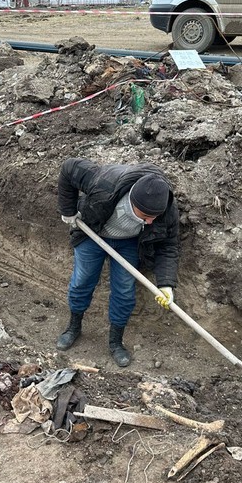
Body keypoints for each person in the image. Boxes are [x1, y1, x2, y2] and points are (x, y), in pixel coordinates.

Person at [56, 157, 180, 367]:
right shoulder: (105, 183)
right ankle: (73, 327)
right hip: (93, 234)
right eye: (146, 216)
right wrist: (68, 210)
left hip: (129, 244)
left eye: (154, 218)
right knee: (82, 282)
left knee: (124, 291)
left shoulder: (167, 209)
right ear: (132, 202)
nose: (150, 222)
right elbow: (68, 167)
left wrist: (166, 284)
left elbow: (168, 246)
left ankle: (115, 341)